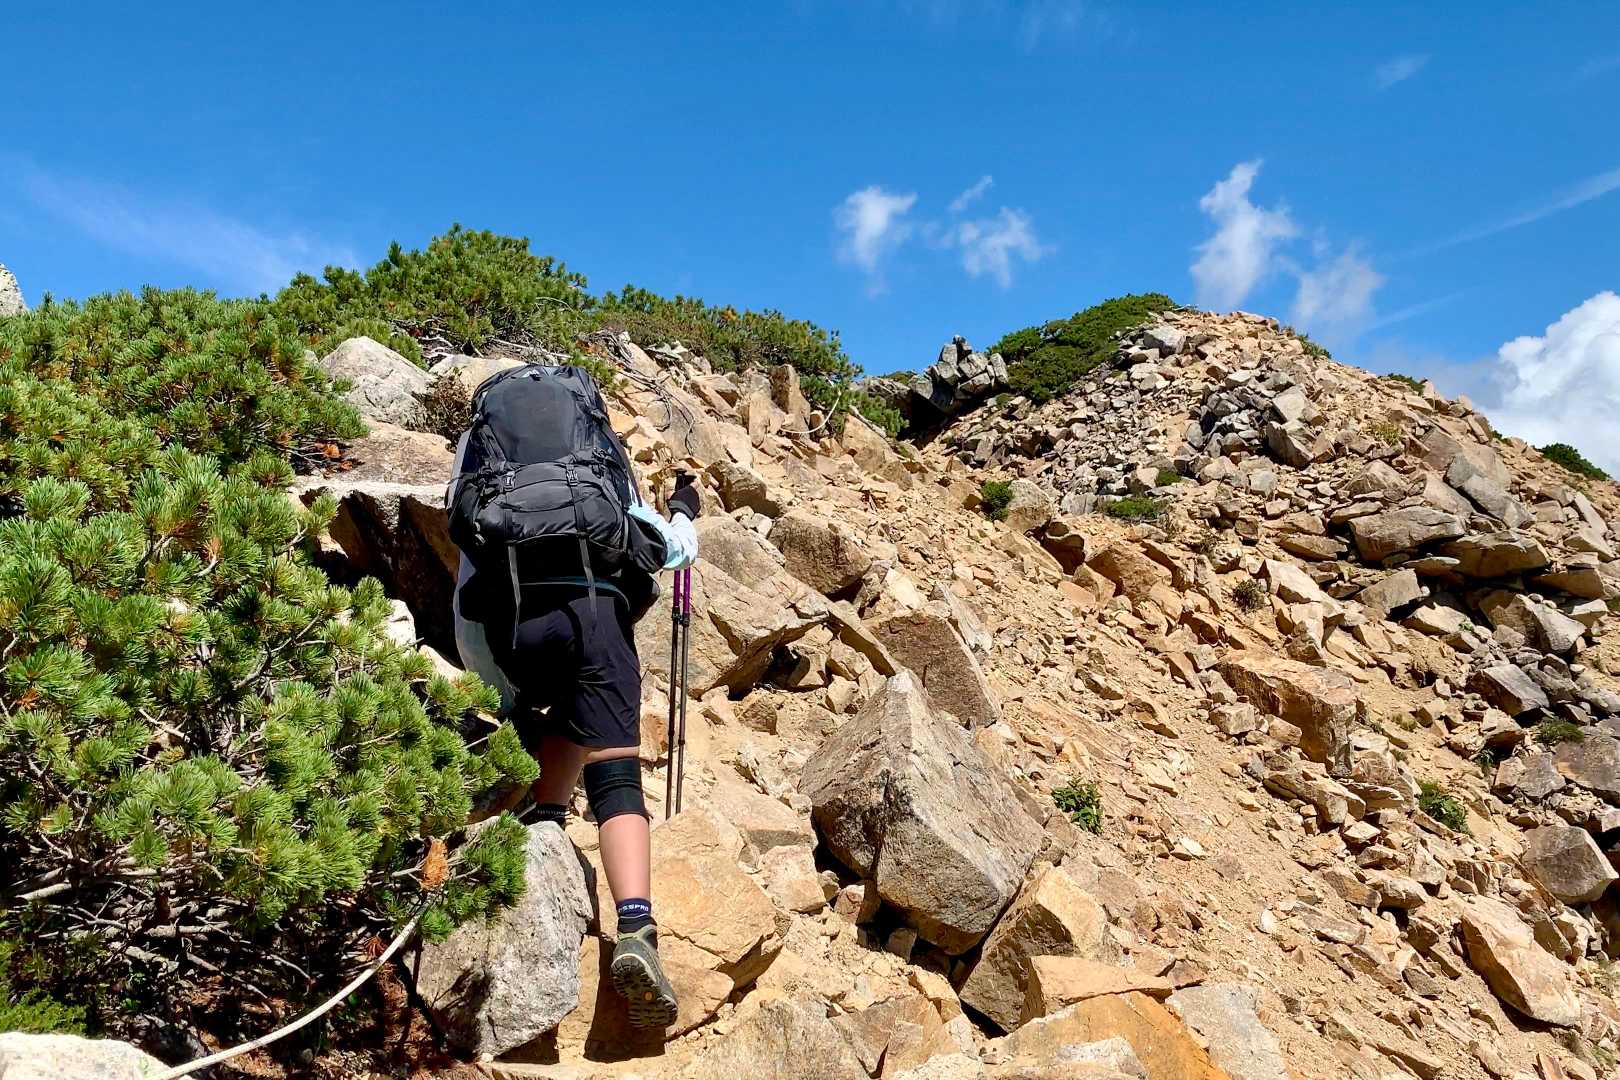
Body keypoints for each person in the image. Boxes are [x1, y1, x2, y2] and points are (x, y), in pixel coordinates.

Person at [448, 373, 698, 1030]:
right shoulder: (598, 456)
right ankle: (636, 930)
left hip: (504, 628)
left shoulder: (480, 451)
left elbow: (465, 546)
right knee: (616, 774)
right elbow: (670, 550)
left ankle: (546, 819)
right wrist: (685, 511)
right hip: (594, 617)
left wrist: (491, 675)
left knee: (561, 715)